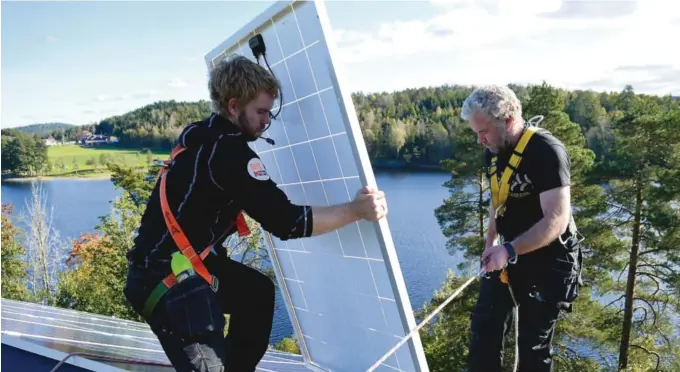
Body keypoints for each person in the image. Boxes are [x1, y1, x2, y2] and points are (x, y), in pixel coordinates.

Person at [122, 55, 388, 372]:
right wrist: (357, 210)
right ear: (234, 106)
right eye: (260, 111)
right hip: (167, 282)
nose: (266, 121)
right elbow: (287, 222)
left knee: (256, 293)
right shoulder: (228, 153)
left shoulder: (199, 135)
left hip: (174, 266)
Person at [461, 85, 583, 372]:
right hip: (509, 253)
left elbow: (556, 220)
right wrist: (491, 243)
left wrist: (509, 249)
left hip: (550, 261)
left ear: (508, 120)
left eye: (484, 132)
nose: (480, 140)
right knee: (483, 332)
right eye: (476, 133)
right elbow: (498, 200)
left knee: (531, 350)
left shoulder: (546, 151)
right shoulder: (494, 149)